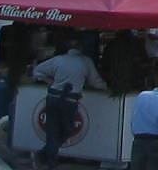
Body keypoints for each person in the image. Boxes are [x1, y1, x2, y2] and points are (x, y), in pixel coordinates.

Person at [33, 39, 105, 169]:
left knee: (53, 130)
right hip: (69, 100)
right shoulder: (85, 61)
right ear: (81, 48)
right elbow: (96, 82)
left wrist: (49, 81)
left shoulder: (58, 60)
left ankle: (46, 156)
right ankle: (47, 157)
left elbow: (37, 71)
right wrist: (106, 87)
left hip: (53, 97)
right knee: (67, 129)